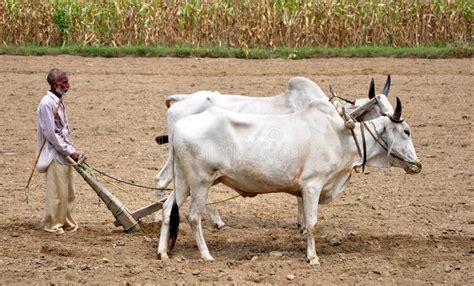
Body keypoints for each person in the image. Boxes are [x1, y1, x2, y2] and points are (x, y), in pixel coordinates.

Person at [36, 68, 80, 234]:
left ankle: (67, 223)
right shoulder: (47, 103)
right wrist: (69, 151)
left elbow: (63, 130)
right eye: (64, 82)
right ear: (55, 84)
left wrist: (71, 150)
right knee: (56, 193)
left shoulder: (57, 101)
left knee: (68, 192)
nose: (68, 85)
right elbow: (51, 134)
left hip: (64, 153)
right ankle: (53, 225)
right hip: (54, 154)